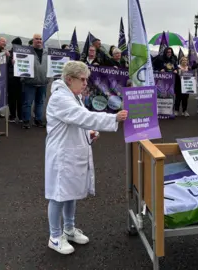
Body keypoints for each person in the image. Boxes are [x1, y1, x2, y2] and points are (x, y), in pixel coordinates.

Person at [45, 61, 128, 255]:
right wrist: (113, 118)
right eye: (82, 80)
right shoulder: (60, 98)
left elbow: (77, 123)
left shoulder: (74, 97)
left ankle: (69, 228)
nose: (85, 84)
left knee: (71, 193)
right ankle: (55, 236)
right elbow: (82, 117)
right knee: (58, 195)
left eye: (86, 80)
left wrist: (89, 132)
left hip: (71, 152)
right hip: (61, 154)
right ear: (69, 79)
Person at [21, 34, 48, 129]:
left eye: (40, 39)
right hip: (29, 82)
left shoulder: (46, 52)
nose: (39, 40)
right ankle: (26, 121)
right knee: (27, 103)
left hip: (43, 82)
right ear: (33, 40)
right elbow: (19, 62)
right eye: (37, 39)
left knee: (40, 102)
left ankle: (38, 120)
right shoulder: (26, 51)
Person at [8, 37, 23, 123]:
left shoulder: (11, 53)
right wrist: (10, 61)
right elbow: (7, 63)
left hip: (18, 79)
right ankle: (15, 115)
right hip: (13, 79)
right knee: (14, 98)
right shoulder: (9, 54)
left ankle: (16, 116)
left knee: (18, 98)